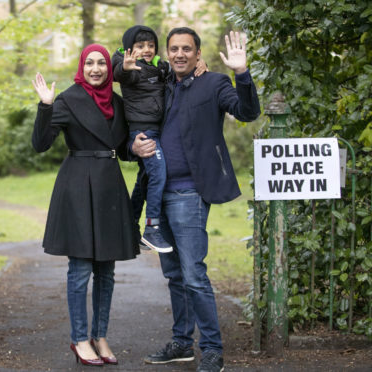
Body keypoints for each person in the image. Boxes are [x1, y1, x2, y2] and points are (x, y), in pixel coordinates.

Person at [132, 28, 261, 372]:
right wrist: (133, 147)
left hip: (190, 192)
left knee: (192, 274)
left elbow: (247, 112)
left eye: (186, 49)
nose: (179, 54)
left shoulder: (214, 84)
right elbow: (136, 118)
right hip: (157, 194)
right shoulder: (159, 83)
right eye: (173, 48)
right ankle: (181, 343)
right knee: (174, 275)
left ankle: (213, 349)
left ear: (197, 53)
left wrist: (241, 73)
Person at [31, 44, 139, 367]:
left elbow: (123, 149)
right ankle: (79, 338)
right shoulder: (67, 99)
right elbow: (40, 144)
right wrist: (45, 106)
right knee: (80, 270)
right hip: (78, 187)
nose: (95, 69)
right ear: (82, 66)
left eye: (101, 63)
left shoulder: (117, 104)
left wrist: (139, 146)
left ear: (109, 68)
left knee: (106, 271)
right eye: (89, 63)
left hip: (109, 187)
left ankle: (100, 335)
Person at [111, 25, 207, 253]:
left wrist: (200, 66)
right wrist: (124, 67)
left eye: (151, 45)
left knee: (143, 180)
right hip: (144, 133)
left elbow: (178, 74)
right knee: (158, 175)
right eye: (140, 46)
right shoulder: (129, 66)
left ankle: (129, 227)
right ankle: (152, 228)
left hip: (157, 131)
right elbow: (121, 74)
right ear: (129, 49)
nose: (146, 50)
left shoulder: (158, 67)